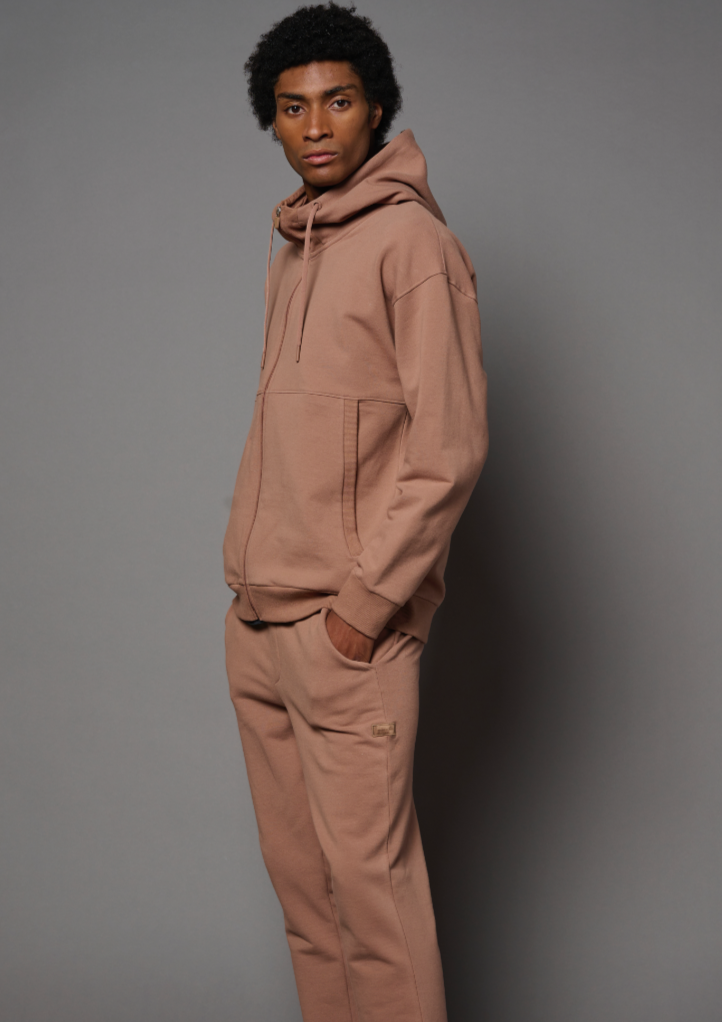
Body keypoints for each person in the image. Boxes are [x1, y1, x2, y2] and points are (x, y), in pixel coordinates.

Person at [223, 4, 488, 1019]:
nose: (316, 125)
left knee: (372, 903)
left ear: (377, 107)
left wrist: (362, 610)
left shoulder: (413, 244)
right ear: (272, 121)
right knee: (308, 899)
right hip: (258, 622)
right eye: (293, 108)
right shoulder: (295, 248)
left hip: (345, 631)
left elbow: (448, 447)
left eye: (337, 101)